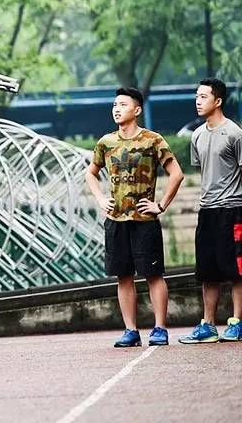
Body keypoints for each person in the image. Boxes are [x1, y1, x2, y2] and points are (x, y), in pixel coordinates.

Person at [85, 87, 184, 348]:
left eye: (123, 104)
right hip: (116, 220)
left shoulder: (153, 140)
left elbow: (177, 174)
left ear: (137, 110)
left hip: (144, 220)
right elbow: (91, 173)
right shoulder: (106, 142)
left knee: (153, 275)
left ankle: (160, 328)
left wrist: (160, 205)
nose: (116, 109)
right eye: (114, 105)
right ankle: (130, 330)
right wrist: (99, 198)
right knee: (123, 276)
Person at [178, 78, 242, 344]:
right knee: (208, 271)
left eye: (203, 97)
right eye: (196, 96)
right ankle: (208, 325)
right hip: (207, 211)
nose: (197, 101)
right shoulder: (197, 135)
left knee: (237, 271)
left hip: (233, 210)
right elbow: (203, 172)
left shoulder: (235, 134)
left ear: (218, 101)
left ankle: (237, 323)